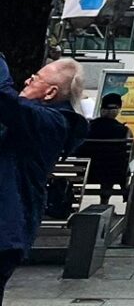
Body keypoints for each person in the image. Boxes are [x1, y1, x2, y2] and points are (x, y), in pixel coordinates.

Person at [0, 54, 90, 301]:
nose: (27, 80)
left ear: (50, 93)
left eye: (35, 78)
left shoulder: (50, 122)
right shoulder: (31, 121)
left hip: (5, 229)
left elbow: (5, 99)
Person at [77, 92, 134, 203]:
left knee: (105, 164)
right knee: (113, 166)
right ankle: (105, 201)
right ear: (117, 110)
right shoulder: (124, 131)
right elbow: (133, 156)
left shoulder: (87, 128)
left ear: (101, 109)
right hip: (115, 175)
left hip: (87, 173)